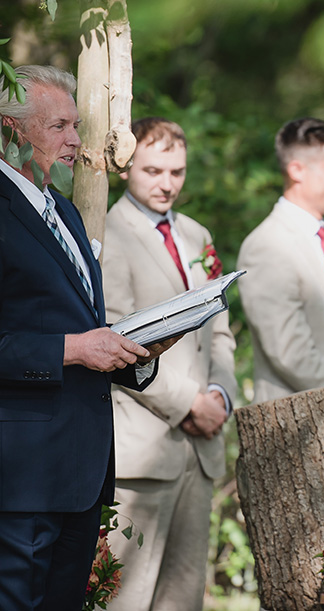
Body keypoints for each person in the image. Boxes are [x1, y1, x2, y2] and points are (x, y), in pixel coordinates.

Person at [0, 65, 173, 610]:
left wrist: (137, 349)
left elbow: (75, 325)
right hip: (20, 476)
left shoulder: (67, 212)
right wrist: (77, 349)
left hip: (81, 470)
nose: (76, 140)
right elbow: (67, 342)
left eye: (77, 125)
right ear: (10, 129)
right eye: (59, 127)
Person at [101, 117, 237, 611]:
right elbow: (118, 342)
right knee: (125, 599)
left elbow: (218, 332)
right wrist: (188, 403)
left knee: (183, 598)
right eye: (153, 170)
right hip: (143, 447)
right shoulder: (108, 232)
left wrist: (221, 395)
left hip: (200, 449)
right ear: (126, 168)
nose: (167, 183)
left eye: (176, 171)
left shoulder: (196, 234)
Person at [237, 117, 324, 403]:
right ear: (297, 170)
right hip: (298, 421)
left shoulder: (323, 238)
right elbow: (290, 353)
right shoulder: (266, 246)